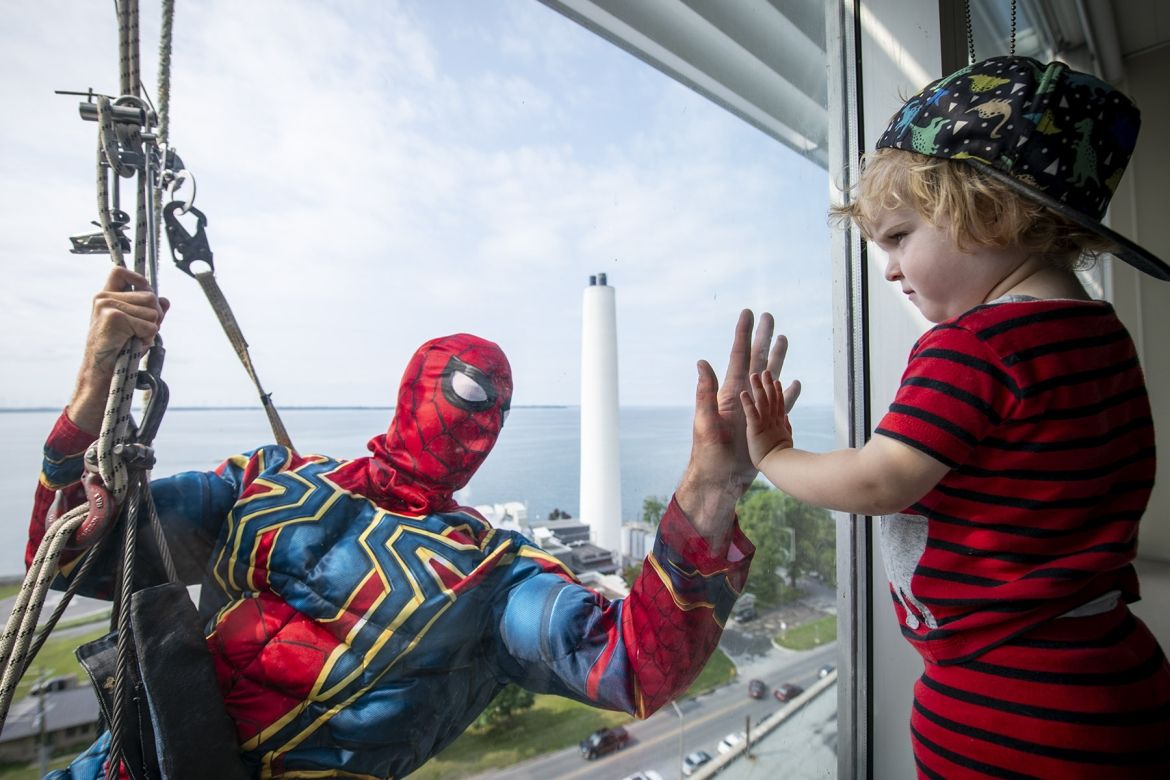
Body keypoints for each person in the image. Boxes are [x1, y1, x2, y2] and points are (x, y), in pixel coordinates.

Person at [28, 265, 791, 778]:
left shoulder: (493, 581)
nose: (482, 418)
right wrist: (95, 389)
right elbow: (65, 561)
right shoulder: (265, 481)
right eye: (468, 388)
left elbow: (635, 663)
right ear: (417, 385)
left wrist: (709, 491)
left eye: (501, 407)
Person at [740, 56, 1170, 777]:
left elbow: (883, 482)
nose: (888, 269)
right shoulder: (1102, 336)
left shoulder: (974, 345)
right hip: (1114, 667)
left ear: (992, 211)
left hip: (1009, 694)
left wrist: (774, 458)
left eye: (900, 236)